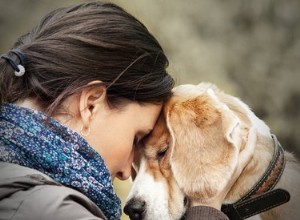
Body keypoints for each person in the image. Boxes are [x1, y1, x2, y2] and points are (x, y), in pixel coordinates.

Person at [0, 1, 256, 220]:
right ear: (90, 104)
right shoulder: (56, 211)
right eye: (136, 137)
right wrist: (206, 208)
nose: (125, 174)